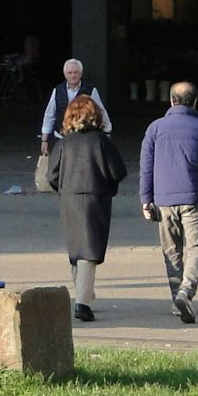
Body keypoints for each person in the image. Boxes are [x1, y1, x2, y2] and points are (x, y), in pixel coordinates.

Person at [139, 81, 198, 324]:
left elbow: (146, 167)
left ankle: (177, 296)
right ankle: (186, 291)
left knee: (171, 251)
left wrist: (146, 199)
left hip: (164, 199)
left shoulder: (155, 128)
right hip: (195, 197)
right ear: (195, 102)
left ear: (171, 100)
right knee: (196, 248)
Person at [46, 96, 127, 323]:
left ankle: (84, 292)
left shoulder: (63, 144)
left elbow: (51, 176)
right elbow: (118, 171)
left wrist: (64, 188)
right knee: (90, 251)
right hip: (96, 198)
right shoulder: (101, 142)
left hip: (69, 198)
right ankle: (83, 303)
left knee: (76, 250)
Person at [39, 58, 109, 155]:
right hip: (61, 138)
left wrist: (107, 132)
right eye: (70, 73)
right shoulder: (57, 91)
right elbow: (49, 115)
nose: (73, 75)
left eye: (76, 72)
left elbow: (101, 112)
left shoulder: (91, 91)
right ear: (65, 74)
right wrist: (44, 139)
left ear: (81, 74)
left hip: (83, 139)